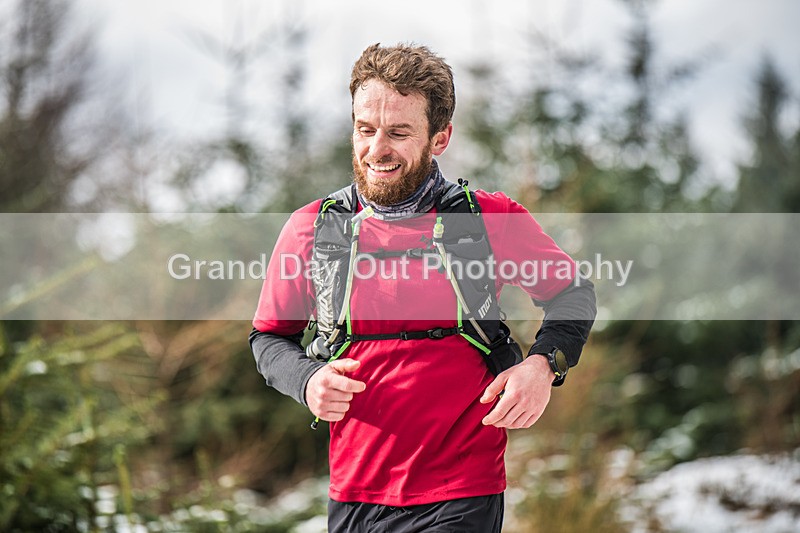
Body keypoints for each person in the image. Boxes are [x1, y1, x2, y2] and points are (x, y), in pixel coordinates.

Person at [250, 42, 596, 533]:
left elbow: (572, 294)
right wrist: (307, 381)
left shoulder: (489, 219)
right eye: (365, 130)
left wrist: (542, 367)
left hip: (463, 490)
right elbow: (268, 339)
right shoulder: (314, 228)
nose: (376, 149)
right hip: (355, 490)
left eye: (398, 132)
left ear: (440, 138)